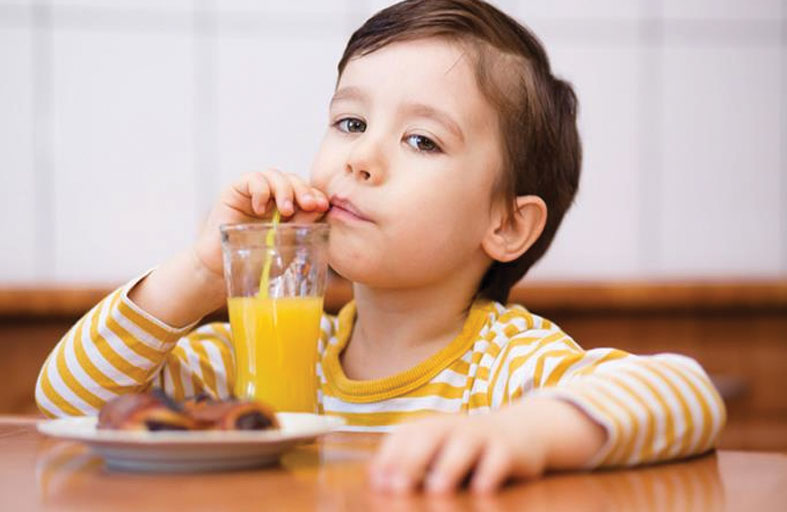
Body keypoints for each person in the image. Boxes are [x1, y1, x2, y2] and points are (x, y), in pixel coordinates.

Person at [35, 0, 726, 494]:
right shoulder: (262, 355)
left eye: (421, 140)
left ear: (507, 225)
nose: (361, 157)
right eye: (350, 122)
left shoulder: (508, 368)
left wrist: (522, 434)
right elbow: (70, 399)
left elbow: (684, 393)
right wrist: (199, 272)